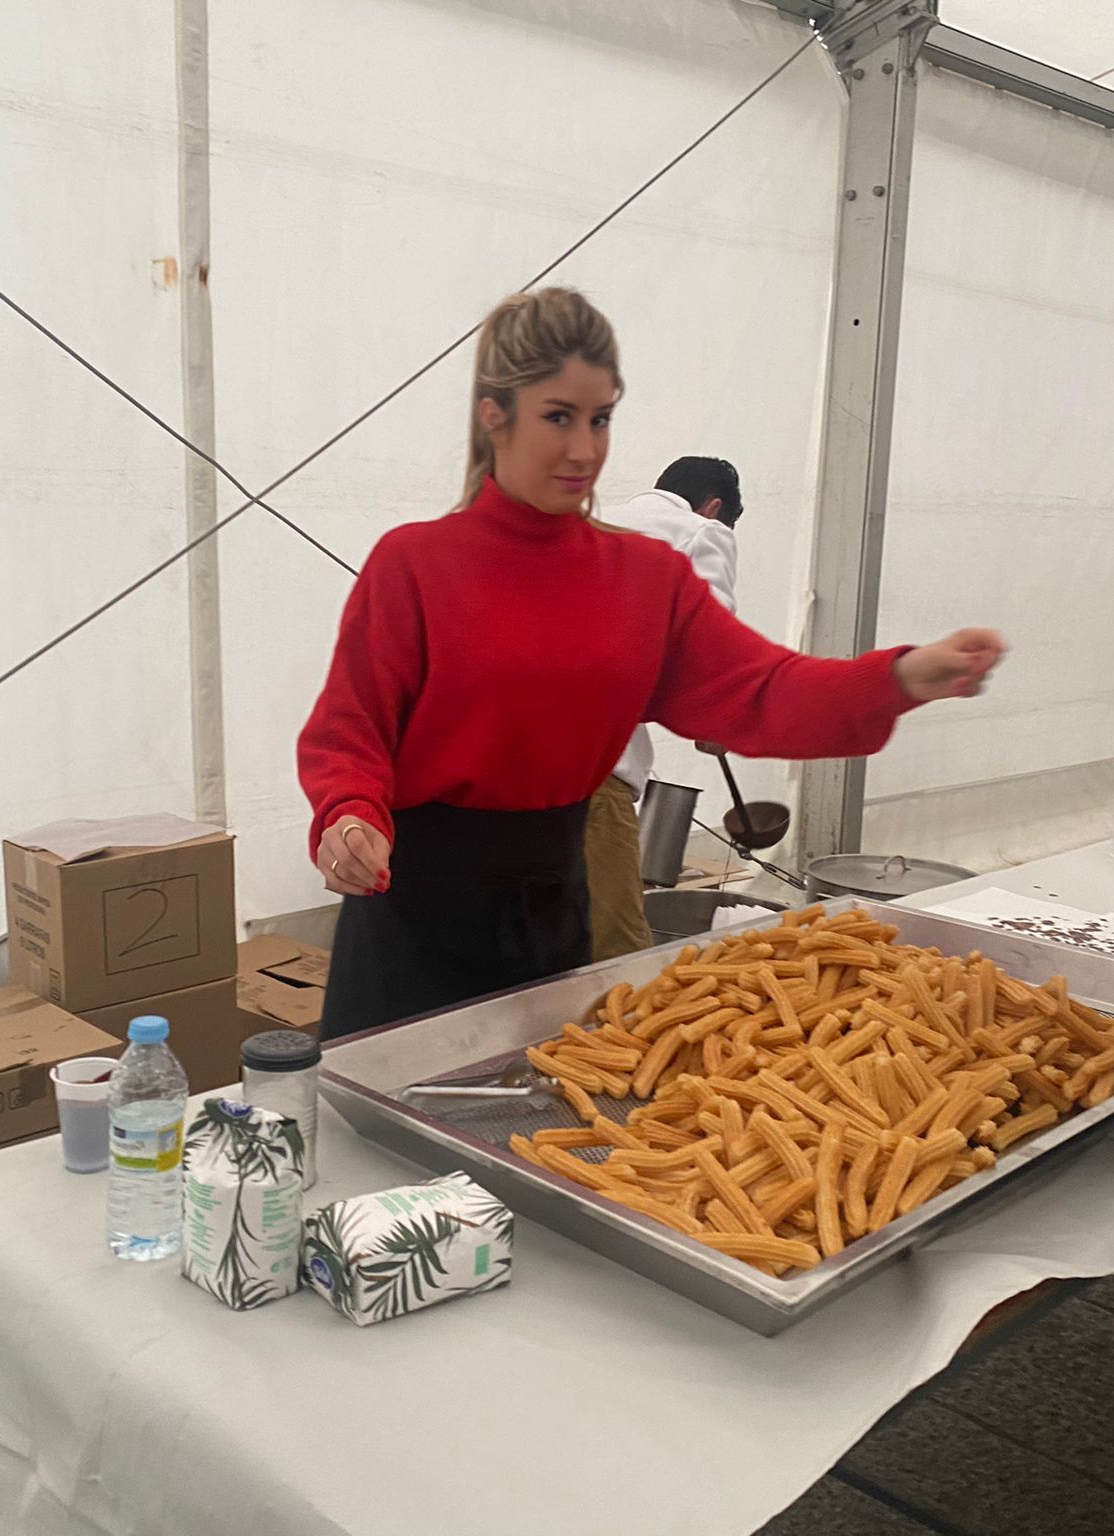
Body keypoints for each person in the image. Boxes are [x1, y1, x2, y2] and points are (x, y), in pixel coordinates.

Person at [299, 288, 1006, 1041]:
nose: (585, 450)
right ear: (494, 415)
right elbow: (351, 728)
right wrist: (348, 815)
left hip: (551, 921)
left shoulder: (645, 579)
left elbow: (761, 692)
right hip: (411, 926)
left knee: (543, 1130)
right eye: (558, 417)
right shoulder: (414, 564)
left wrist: (897, 678)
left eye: (600, 418)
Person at [585, 455, 746, 961]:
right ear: (714, 507)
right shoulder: (700, 532)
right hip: (585, 769)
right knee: (616, 951)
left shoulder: (585, 520)